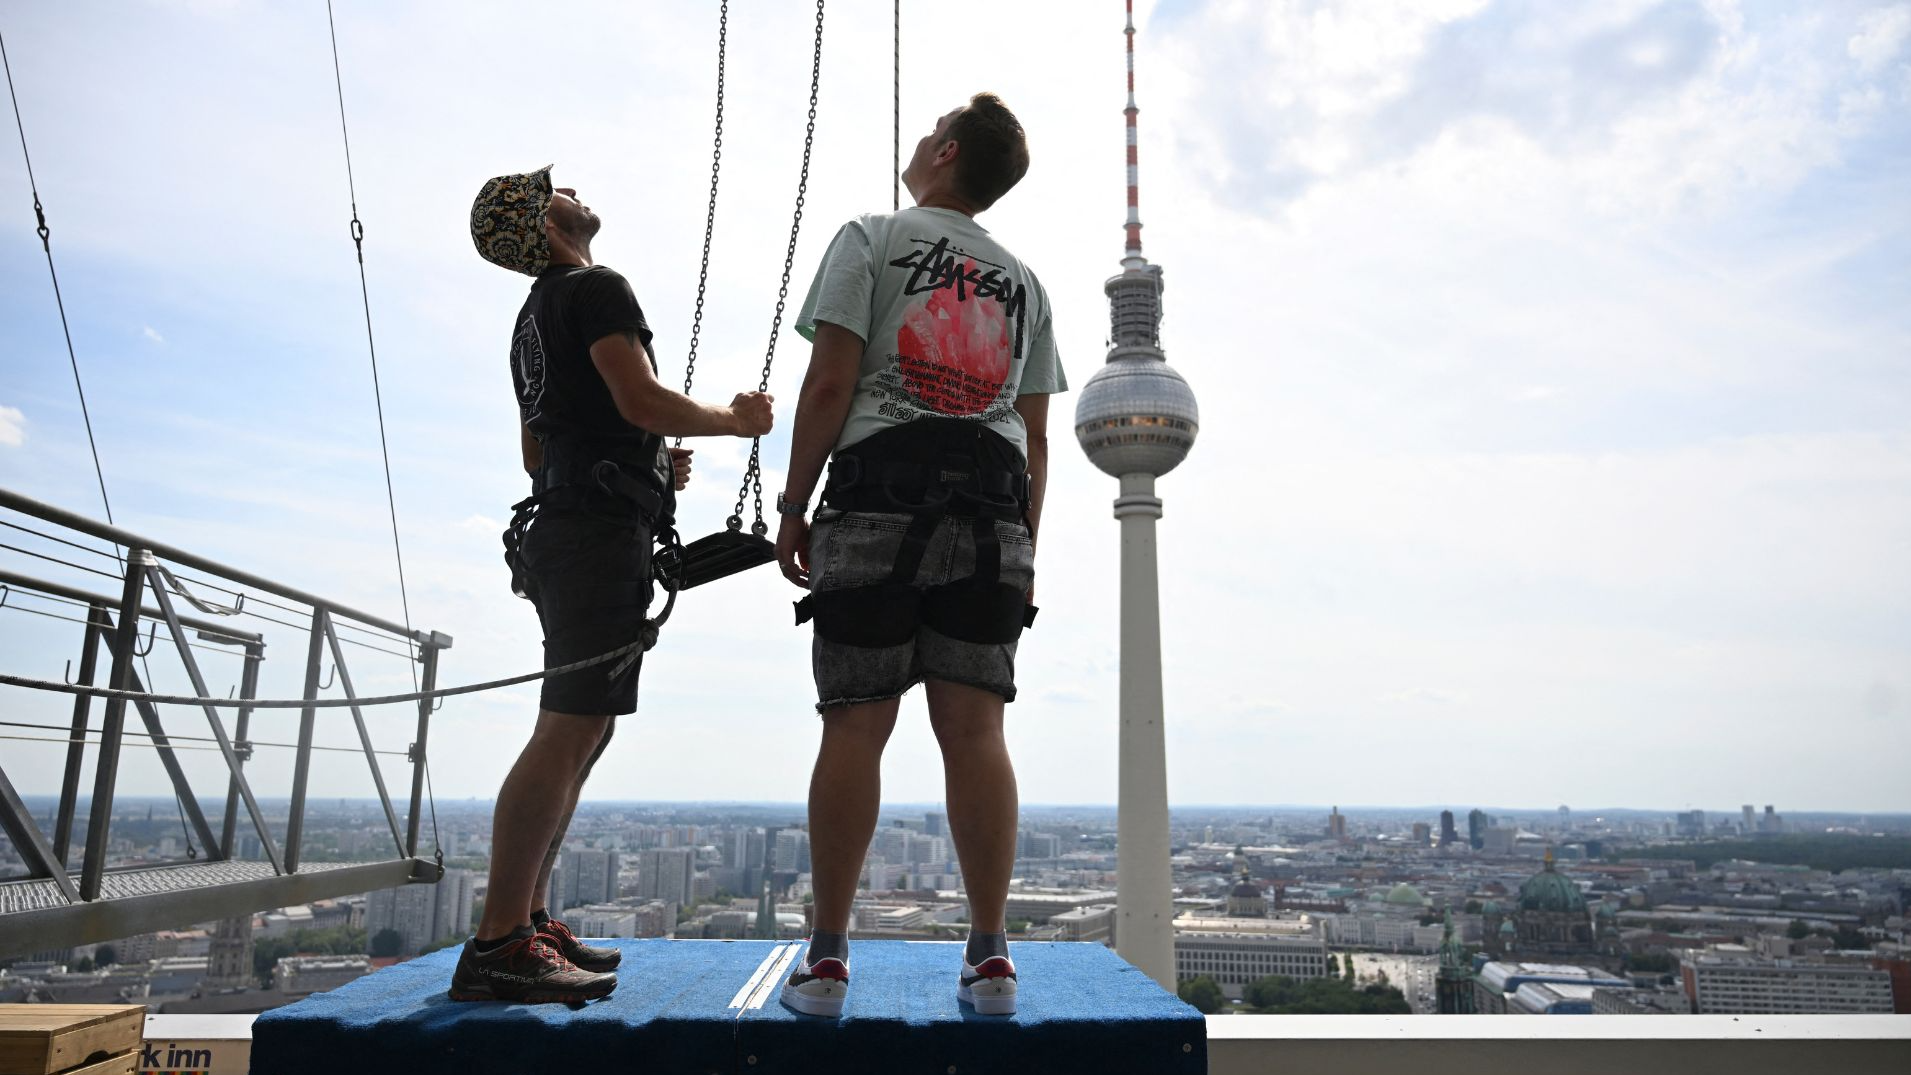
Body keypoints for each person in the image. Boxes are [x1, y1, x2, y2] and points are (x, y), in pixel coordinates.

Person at [451, 166, 774, 1003]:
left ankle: (524, 919)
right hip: (593, 535)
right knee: (568, 730)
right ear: (544, 221)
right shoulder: (594, 287)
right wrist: (730, 422)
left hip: (570, 523)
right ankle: (499, 941)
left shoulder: (531, 320)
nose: (575, 191)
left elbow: (540, 448)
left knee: (584, 731)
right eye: (557, 190)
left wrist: (647, 467)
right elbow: (635, 398)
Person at [773, 94, 1065, 1018]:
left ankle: (825, 959)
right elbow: (1036, 437)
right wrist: (1024, 544)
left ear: (942, 151)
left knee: (855, 723)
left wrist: (793, 503)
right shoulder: (1026, 283)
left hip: (878, 495)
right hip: (993, 510)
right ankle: (989, 958)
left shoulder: (869, 236)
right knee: (976, 733)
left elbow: (829, 380)